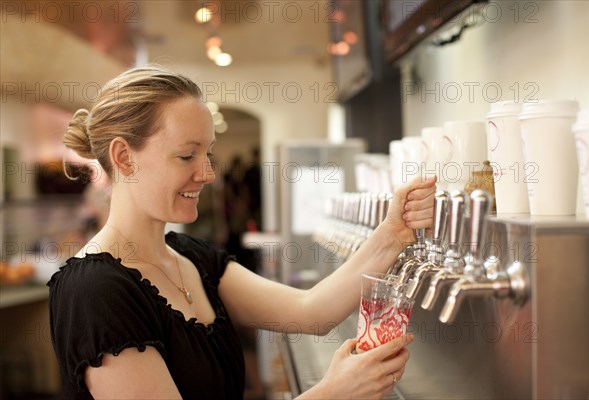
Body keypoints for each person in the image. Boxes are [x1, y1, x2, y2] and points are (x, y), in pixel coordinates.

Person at [50, 65, 436, 399]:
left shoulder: (193, 258)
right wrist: (332, 393)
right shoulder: (95, 292)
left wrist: (392, 233)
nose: (208, 174)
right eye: (187, 155)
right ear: (123, 157)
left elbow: (311, 312)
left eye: (208, 154)